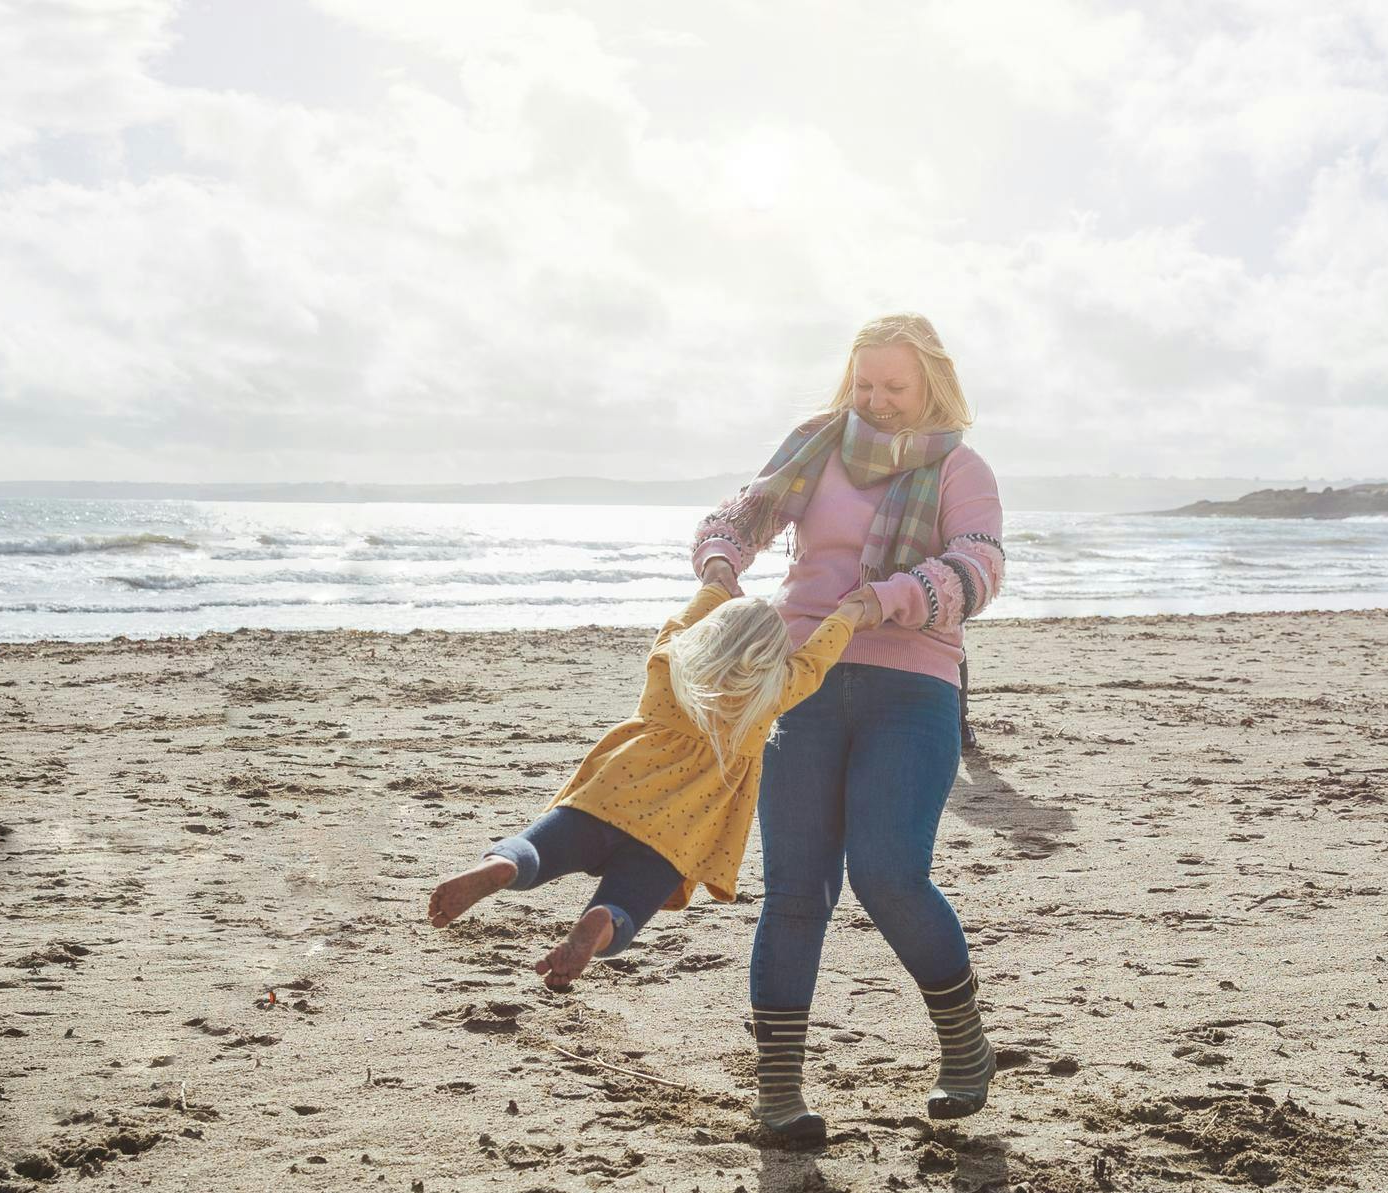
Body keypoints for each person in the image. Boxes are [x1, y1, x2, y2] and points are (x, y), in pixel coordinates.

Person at [694, 312, 1006, 1142]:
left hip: (913, 689)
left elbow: (980, 567)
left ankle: (966, 1048)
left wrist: (888, 596)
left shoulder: (960, 470)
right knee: (796, 890)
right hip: (801, 682)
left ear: (929, 385)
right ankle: (779, 1096)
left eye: (893, 386)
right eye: (864, 383)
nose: (875, 399)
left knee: (889, 872)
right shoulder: (814, 445)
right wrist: (721, 558)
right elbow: (743, 513)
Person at [426, 584, 877, 989]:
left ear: (709, 634)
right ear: (773, 657)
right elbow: (818, 657)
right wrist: (851, 611)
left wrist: (717, 586)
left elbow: (679, 621)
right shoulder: (772, 694)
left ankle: (501, 866)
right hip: (676, 838)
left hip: (608, 798)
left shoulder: (669, 661)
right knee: (624, 906)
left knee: (535, 850)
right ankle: (599, 922)